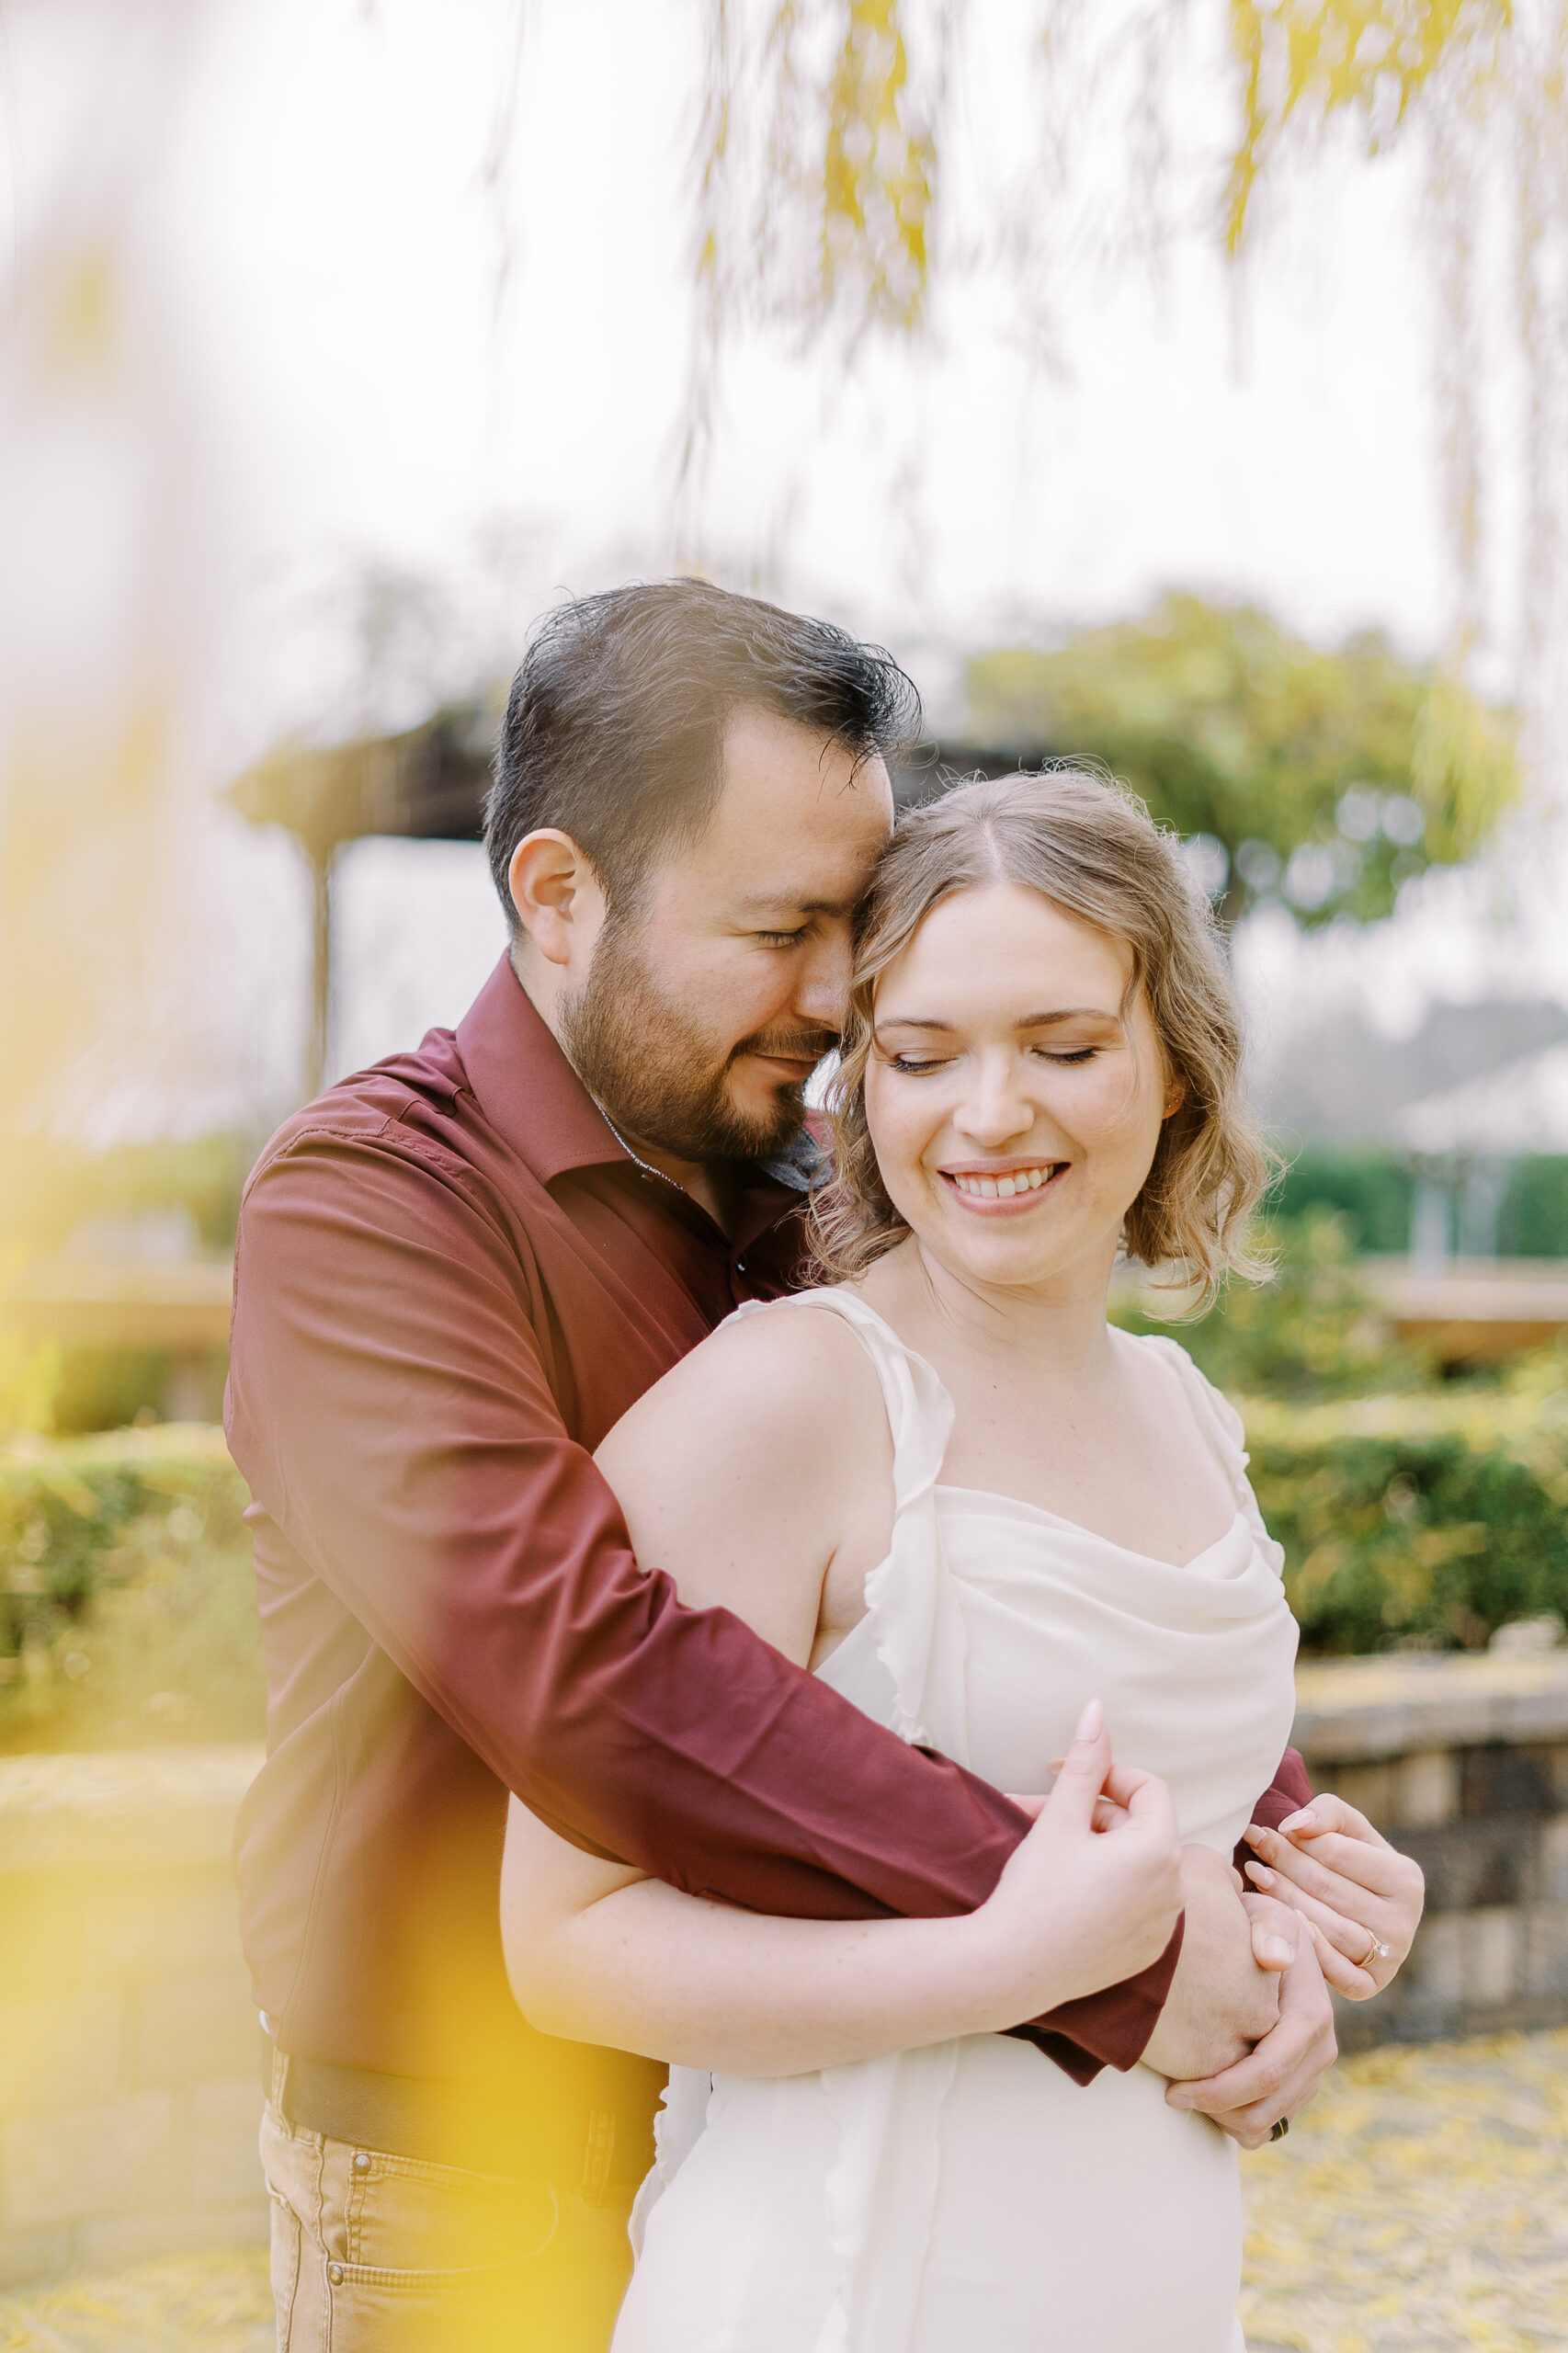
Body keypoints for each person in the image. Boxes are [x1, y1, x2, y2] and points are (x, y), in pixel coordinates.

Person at [226, 585, 1350, 2353]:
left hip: (827, 2096)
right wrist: (1121, 1948)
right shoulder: (369, 1211)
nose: (838, 998)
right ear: (559, 896)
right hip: (460, 2167)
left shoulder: (812, 1193)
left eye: (856, 925)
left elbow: (988, 1546)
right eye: (780, 929)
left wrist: (1271, 1840)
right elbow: (596, 1671)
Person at [499, 767, 1426, 2352]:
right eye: (920, 1057)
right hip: (845, 2292)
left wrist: (1305, 1952)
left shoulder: (1189, 1416)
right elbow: (566, 1947)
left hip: (1147, 2284)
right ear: (863, 1088)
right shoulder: (784, 1401)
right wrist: (1005, 1963)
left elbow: (1176, 1846)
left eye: (1062, 1048)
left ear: (1178, 1070)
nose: (988, 1114)